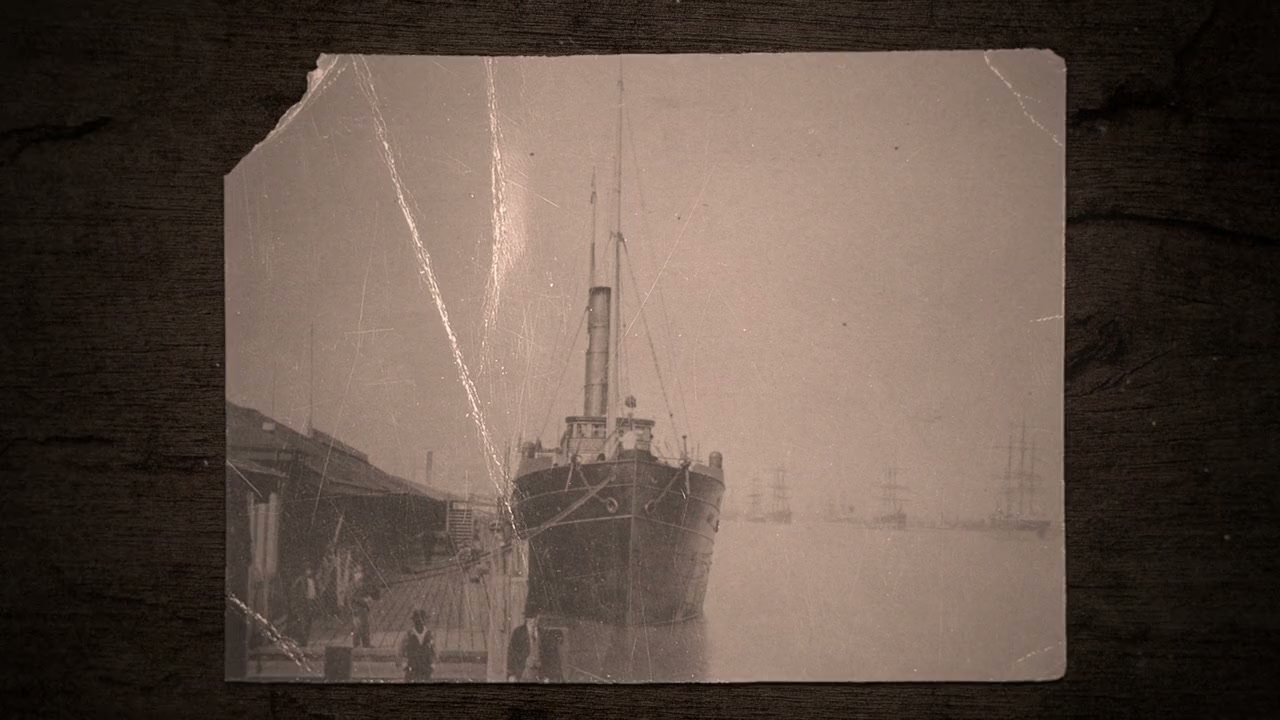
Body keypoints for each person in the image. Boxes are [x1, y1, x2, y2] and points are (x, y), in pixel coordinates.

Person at [506, 609, 562, 682]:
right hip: (523, 672)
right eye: (530, 618)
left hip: (540, 674)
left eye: (535, 617)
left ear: (538, 617)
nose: (533, 620)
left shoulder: (543, 633)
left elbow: (550, 655)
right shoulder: (518, 632)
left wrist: (548, 676)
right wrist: (511, 674)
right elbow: (511, 653)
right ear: (526, 618)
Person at [400, 610, 435, 682]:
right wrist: (404, 664)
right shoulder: (409, 634)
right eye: (417, 620)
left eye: (421, 620)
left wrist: (432, 664)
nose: (419, 623)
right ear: (414, 621)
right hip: (412, 665)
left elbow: (433, 651)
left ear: (425, 621)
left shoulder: (429, 634)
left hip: (426, 665)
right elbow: (402, 650)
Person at [350, 563, 378, 648]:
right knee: (358, 627)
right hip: (356, 608)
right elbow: (353, 597)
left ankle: (366, 643)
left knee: (365, 626)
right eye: (357, 572)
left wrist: (369, 597)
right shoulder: (352, 585)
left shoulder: (362, 583)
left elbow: (368, 592)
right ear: (353, 574)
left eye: (360, 572)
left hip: (363, 608)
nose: (359, 574)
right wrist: (364, 600)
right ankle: (356, 644)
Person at [290, 563, 319, 646]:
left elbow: (316, 590)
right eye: (307, 569)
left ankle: (305, 639)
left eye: (310, 569)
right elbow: (294, 590)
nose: (309, 571)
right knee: (303, 621)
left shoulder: (314, 580)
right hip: (303, 603)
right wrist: (297, 601)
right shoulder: (300, 580)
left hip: (311, 602)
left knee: (309, 621)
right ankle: (302, 640)